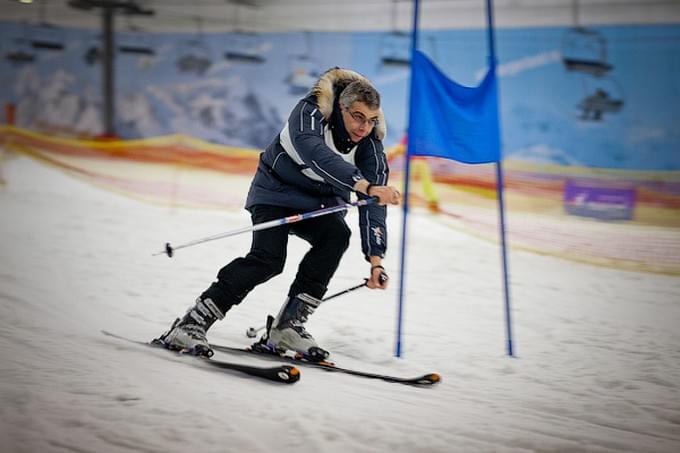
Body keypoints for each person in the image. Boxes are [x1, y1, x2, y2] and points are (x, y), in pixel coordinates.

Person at [158, 67, 401, 359]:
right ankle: (192, 322)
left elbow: (373, 203)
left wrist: (376, 261)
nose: (363, 128)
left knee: (336, 236)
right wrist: (362, 184)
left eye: (371, 120)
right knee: (269, 259)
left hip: (320, 203)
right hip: (275, 191)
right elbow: (315, 153)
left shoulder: (370, 144)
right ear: (341, 108)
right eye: (357, 117)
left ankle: (289, 326)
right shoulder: (309, 113)